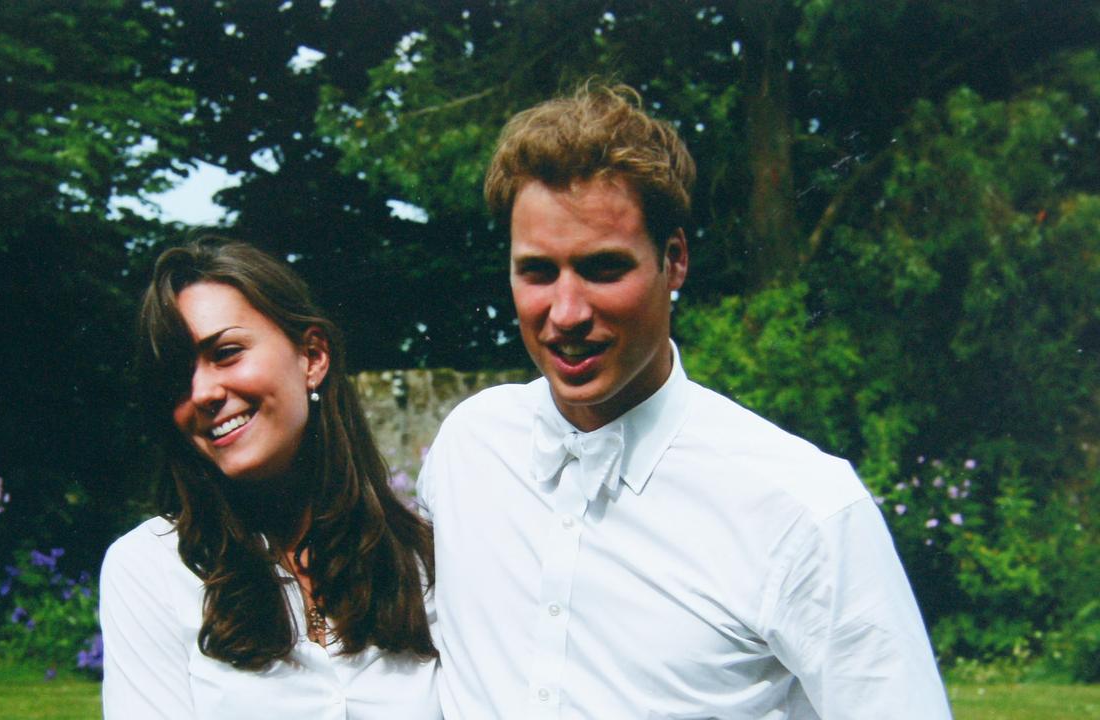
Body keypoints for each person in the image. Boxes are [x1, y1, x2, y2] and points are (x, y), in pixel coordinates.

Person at [418, 84, 952, 718]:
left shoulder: (803, 509)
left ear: (673, 262)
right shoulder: (470, 450)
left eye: (603, 269)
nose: (565, 313)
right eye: (537, 272)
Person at [100, 237, 440, 719]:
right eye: (177, 376)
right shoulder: (151, 571)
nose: (202, 392)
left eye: (226, 353)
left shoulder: (423, 561)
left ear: (313, 356)